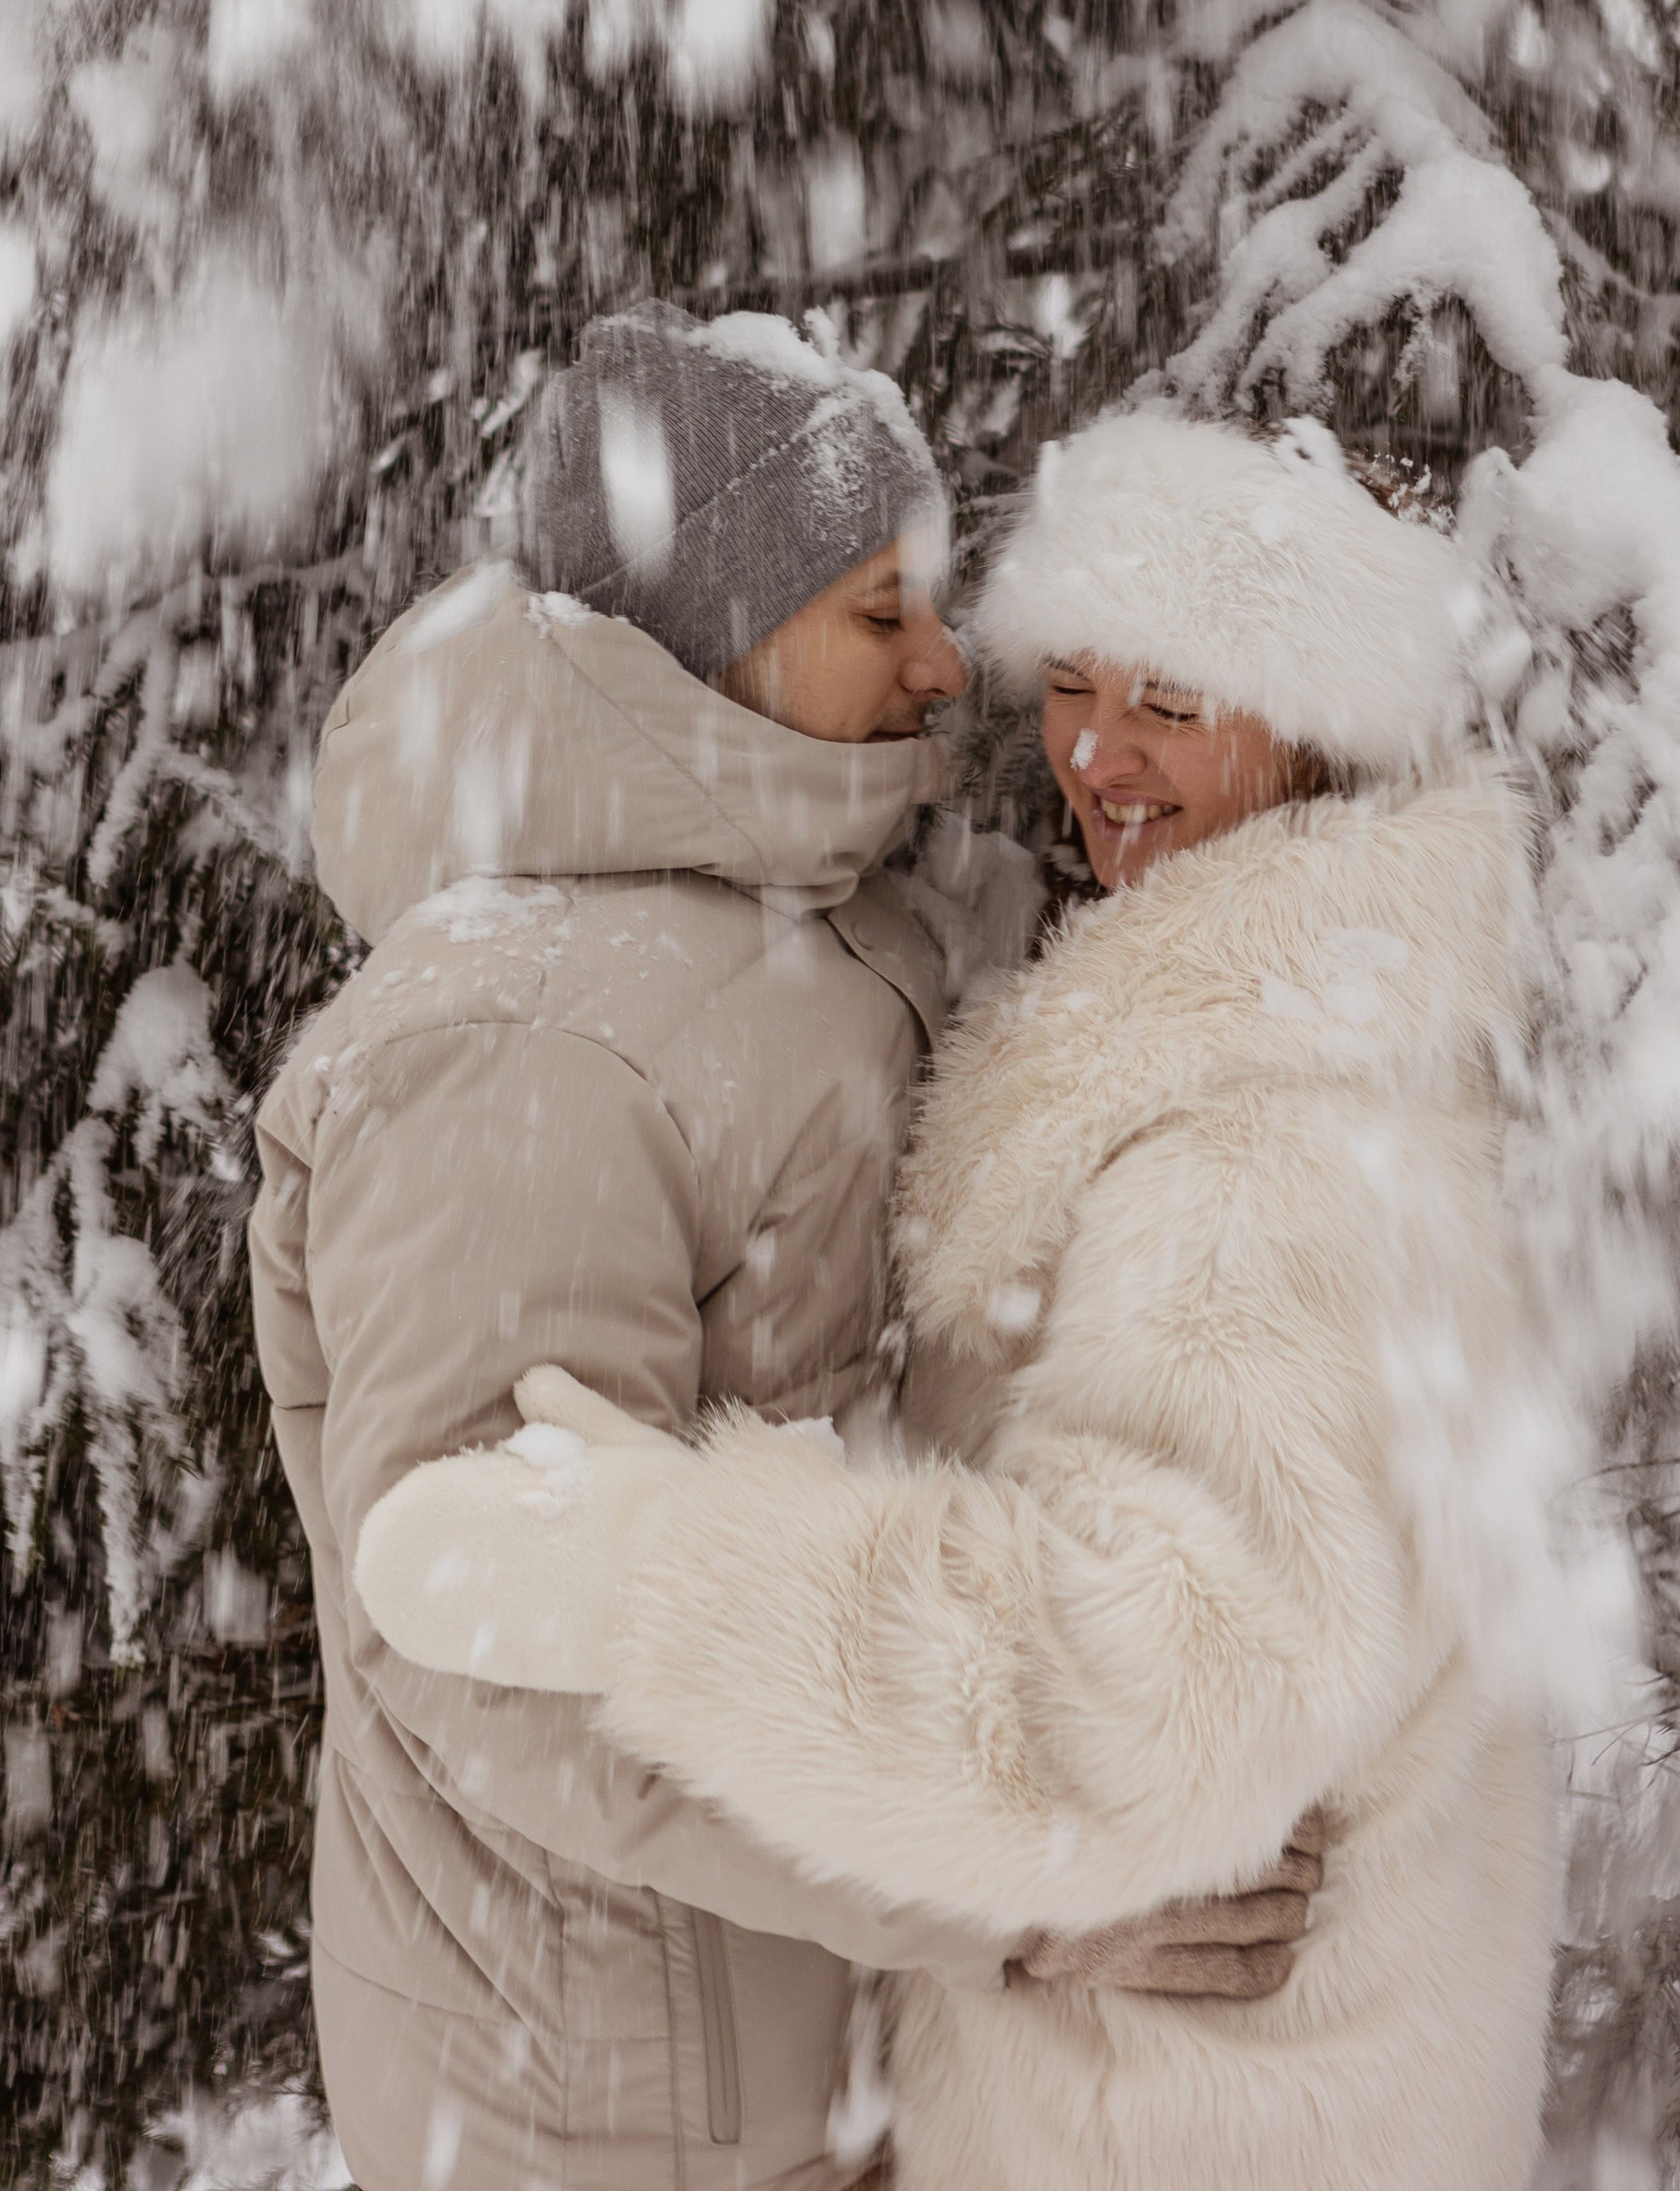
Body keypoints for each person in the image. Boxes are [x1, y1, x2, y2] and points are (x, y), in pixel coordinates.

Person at [359, 404, 1563, 2191]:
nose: (1096, 754)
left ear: (1314, 728)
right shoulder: (1302, 1020)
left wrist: (643, 1574)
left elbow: (1133, 1700)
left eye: (1170, 702)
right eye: (1072, 684)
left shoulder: (1270, 1142)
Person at [251, 318, 1312, 2191]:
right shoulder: (513, 1039)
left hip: (800, 2043)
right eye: (874, 611)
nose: (940, 662)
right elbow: (516, 1650)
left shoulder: (809, 915)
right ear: (719, 644)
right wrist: (1011, 1871)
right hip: (614, 2105)